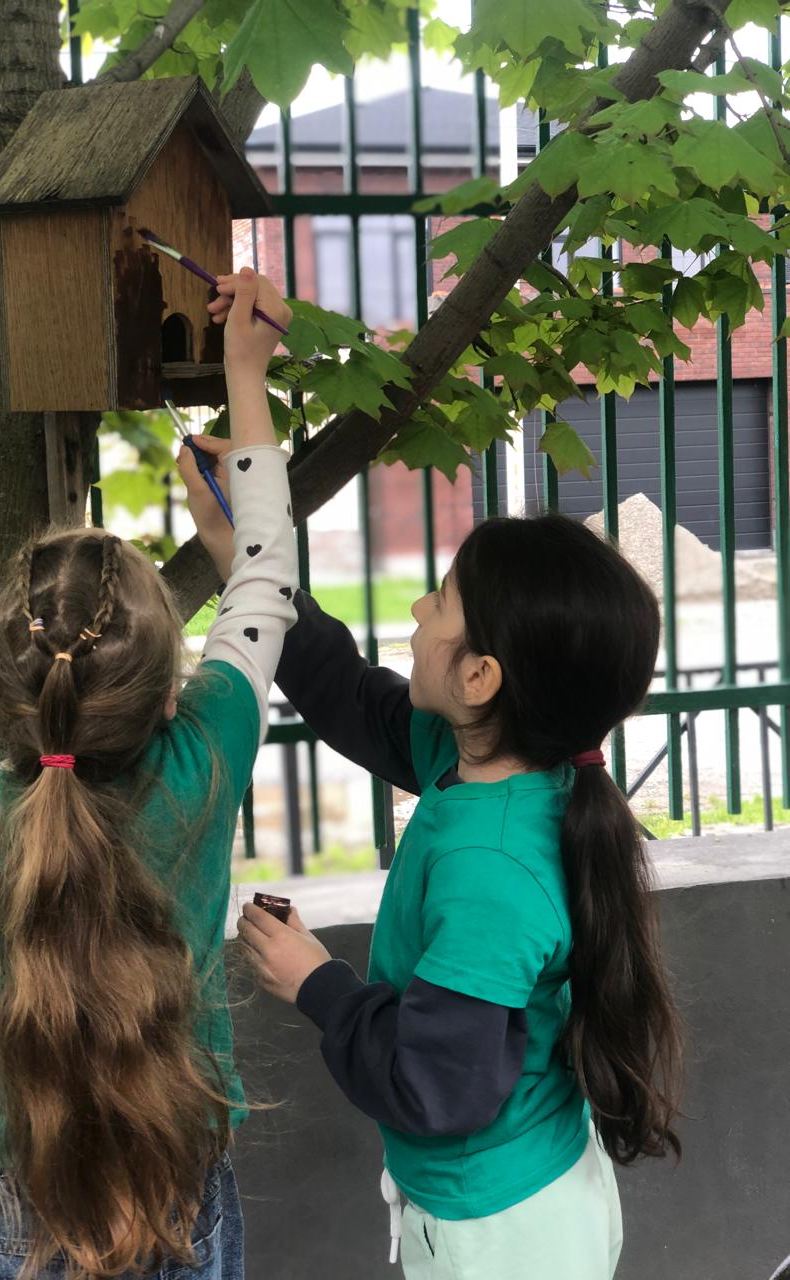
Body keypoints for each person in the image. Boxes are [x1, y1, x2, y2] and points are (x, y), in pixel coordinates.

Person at [0, 268, 296, 1280]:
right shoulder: (206, 753)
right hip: (175, 1191)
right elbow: (266, 573)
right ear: (164, 693)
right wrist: (245, 371)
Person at [187, 481, 684, 1280]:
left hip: (503, 1241)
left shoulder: (491, 872)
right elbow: (346, 691)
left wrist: (318, 983)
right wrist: (245, 559)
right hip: (514, 1202)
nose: (420, 608)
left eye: (442, 600)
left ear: (481, 677)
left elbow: (433, 1086)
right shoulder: (480, 762)